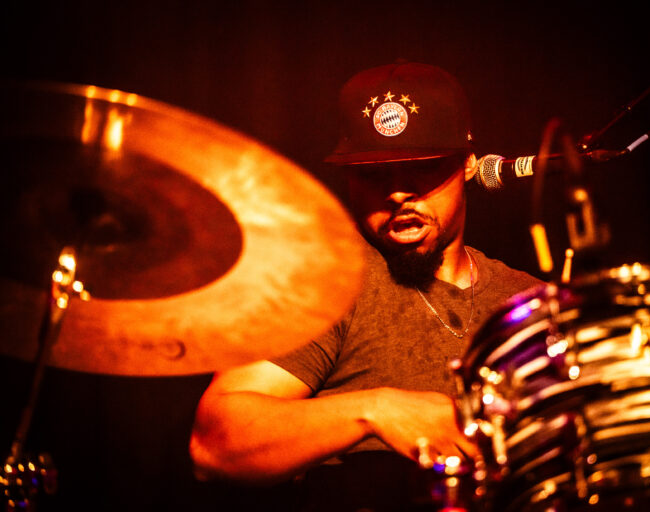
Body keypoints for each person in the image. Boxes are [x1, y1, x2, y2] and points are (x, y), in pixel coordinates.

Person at [189, 61, 541, 511]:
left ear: (469, 163)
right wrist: (377, 410)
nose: (397, 191)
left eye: (421, 167)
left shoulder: (527, 302)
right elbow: (215, 444)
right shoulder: (326, 281)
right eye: (374, 173)